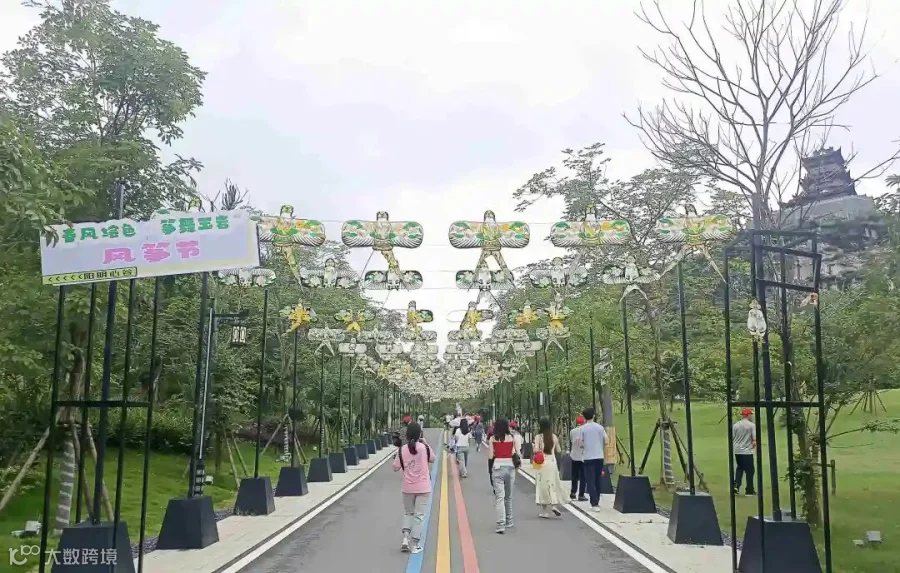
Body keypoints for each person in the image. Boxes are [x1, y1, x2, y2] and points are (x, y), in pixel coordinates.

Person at [392, 422, 436, 554]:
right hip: (423, 487)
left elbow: (395, 467)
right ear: (419, 435)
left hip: (408, 488)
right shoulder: (424, 448)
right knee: (419, 516)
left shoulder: (402, 450)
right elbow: (433, 459)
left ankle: (405, 539)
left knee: (408, 513)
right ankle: (415, 545)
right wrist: (426, 443)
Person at [488, 418, 519, 534]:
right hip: (510, 467)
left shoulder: (492, 439)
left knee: (500, 497)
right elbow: (514, 452)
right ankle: (509, 521)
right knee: (508, 497)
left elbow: (490, 456)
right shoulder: (511, 437)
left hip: (497, 468)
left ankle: (501, 524)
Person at [533, 417, 564, 518]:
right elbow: (559, 450)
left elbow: (536, 450)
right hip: (552, 462)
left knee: (542, 485)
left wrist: (537, 448)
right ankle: (554, 505)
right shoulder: (554, 436)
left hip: (541, 462)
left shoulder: (538, 437)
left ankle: (545, 511)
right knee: (552, 484)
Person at [580, 407, 608, 512]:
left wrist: (586, 445)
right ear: (594, 415)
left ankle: (594, 503)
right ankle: (597, 501)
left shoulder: (582, 429)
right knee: (597, 479)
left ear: (584, 417)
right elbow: (606, 441)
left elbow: (580, 444)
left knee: (590, 480)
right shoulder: (600, 428)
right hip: (599, 456)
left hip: (588, 457)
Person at [733, 408, 757, 496]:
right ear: (748, 415)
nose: (751, 415)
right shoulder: (751, 425)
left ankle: (736, 485)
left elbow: (733, 437)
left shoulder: (736, 425)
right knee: (750, 470)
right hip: (747, 451)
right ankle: (749, 490)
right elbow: (754, 440)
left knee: (740, 468)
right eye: (751, 414)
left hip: (738, 450)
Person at [569, 415, 587, 501]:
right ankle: (581, 494)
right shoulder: (585, 431)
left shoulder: (572, 431)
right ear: (584, 422)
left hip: (574, 456)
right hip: (583, 456)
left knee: (574, 476)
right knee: (583, 477)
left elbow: (571, 440)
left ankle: (573, 492)